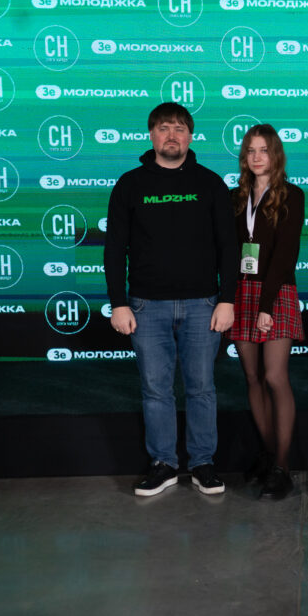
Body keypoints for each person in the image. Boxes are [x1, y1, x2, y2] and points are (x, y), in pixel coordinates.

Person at [105, 102, 238, 496]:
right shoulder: (130, 184)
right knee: (155, 389)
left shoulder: (210, 183)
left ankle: (202, 464)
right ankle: (163, 464)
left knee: (201, 388)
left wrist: (227, 299)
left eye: (180, 128)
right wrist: (118, 302)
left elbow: (229, 247)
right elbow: (115, 249)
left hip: (202, 305)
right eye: (164, 128)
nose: (172, 135)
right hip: (146, 306)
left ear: (191, 136)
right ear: (151, 135)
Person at [227, 124, 305, 501]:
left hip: (276, 291)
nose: (257, 157)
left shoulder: (292, 195)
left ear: (276, 155)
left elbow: (286, 254)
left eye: (264, 150)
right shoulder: (235, 197)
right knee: (252, 377)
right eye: (251, 151)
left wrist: (266, 305)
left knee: (274, 376)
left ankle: (282, 466)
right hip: (241, 291)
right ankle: (268, 454)